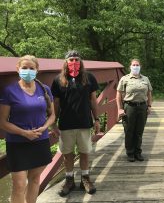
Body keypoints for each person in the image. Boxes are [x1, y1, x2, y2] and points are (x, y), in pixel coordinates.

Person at [0, 55, 55, 203]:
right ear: (18, 69)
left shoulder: (45, 90)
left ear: (37, 70)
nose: (28, 71)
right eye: (25, 68)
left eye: (32, 68)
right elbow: (2, 122)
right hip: (17, 143)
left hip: (40, 140)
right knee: (18, 185)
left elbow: (52, 115)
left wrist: (44, 127)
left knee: (35, 180)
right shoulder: (9, 91)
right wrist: (24, 133)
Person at [51, 50, 100, 196]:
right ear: (65, 62)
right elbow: (56, 103)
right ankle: (69, 180)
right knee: (67, 154)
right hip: (66, 124)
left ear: (81, 62)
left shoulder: (89, 77)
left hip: (84, 122)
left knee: (84, 152)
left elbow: (93, 100)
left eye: (76, 59)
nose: (74, 62)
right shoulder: (58, 79)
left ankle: (85, 179)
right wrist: (53, 123)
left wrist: (96, 119)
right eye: (71, 59)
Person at [116, 59, 153, 162]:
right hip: (129, 106)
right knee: (129, 130)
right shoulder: (125, 79)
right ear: (130, 66)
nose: (135, 66)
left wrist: (149, 106)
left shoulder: (145, 79)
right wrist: (119, 108)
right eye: (133, 65)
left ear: (140, 66)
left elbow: (149, 93)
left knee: (139, 131)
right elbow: (118, 94)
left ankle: (138, 152)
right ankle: (130, 153)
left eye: (137, 65)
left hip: (142, 107)